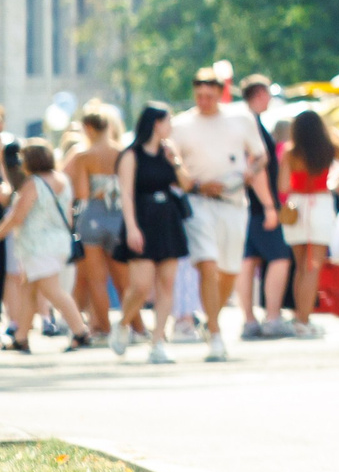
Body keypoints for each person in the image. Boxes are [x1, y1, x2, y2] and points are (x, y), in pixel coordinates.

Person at [171, 67, 273, 363]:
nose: (203, 101)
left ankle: (211, 317)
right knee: (207, 262)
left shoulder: (240, 118)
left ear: (219, 93)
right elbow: (175, 165)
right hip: (199, 200)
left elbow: (262, 154)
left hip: (233, 200)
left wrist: (249, 173)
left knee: (229, 269)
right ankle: (215, 334)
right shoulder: (182, 125)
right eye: (199, 95)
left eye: (209, 95)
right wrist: (196, 183)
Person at [114, 104, 192, 363]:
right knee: (141, 285)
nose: (170, 127)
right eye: (167, 121)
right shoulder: (131, 155)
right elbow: (126, 193)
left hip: (167, 218)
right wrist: (132, 227)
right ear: (156, 124)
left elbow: (186, 184)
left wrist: (175, 161)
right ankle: (124, 322)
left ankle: (158, 341)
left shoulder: (169, 152)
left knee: (167, 283)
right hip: (142, 217)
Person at [0, 143, 92, 350]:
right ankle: (21, 337)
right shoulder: (62, 180)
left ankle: (80, 331)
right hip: (59, 242)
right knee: (29, 291)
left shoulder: (34, 183)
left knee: (53, 291)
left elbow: (18, 216)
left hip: (38, 246)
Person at [281, 108, 339, 337]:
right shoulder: (328, 148)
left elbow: (283, 186)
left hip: (296, 206)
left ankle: (299, 317)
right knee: (313, 268)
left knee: (300, 266)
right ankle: (304, 320)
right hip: (321, 205)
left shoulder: (290, 152)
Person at [235, 76, 294, 340]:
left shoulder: (240, 122)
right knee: (279, 258)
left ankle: (249, 319)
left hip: (243, 205)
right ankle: (272, 317)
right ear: (259, 94)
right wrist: (270, 206)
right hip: (259, 205)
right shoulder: (250, 124)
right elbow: (255, 169)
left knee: (248, 260)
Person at [66, 104, 127, 343]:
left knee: (97, 279)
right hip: (119, 215)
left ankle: (103, 328)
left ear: (88, 128)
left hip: (92, 216)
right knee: (125, 279)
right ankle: (133, 325)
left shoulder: (84, 155)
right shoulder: (122, 152)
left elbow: (81, 192)